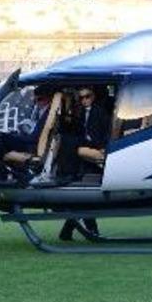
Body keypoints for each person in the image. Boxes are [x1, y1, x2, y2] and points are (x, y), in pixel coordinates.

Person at [57, 86, 111, 240]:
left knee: (83, 197)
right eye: (81, 98)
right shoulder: (78, 113)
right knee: (82, 198)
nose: (84, 100)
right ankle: (80, 231)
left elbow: (106, 134)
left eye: (87, 97)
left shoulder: (100, 113)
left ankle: (73, 231)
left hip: (93, 154)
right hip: (81, 156)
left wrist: (99, 149)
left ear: (93, 97)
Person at [0, 88, 52, 177]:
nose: (37, 103)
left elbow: (34, 138)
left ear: (48, 99)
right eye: (35, 101)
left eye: (40, 100)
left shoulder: (48, 114)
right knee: (5, 137)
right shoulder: (44, 112)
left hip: (32, 145)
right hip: (33, 141)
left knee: (1, 137)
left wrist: (16, 136)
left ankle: (1, 171)